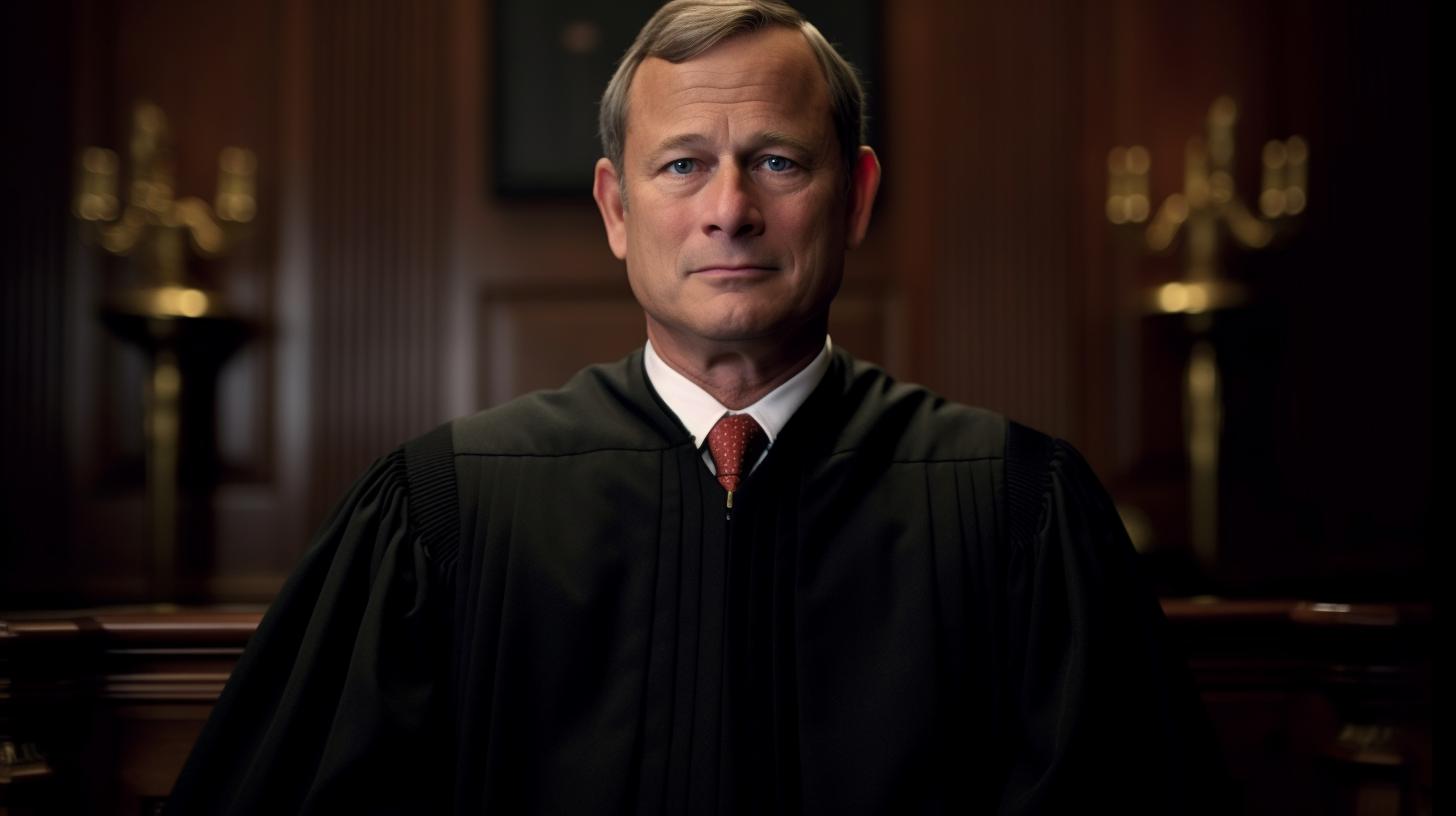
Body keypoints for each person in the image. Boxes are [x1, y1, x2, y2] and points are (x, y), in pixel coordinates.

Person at [168, 1, 1232, 813]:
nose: (730, 210)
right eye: (683, 166)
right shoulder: (444, 511)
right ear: (616, 210)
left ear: (854, 197)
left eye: (775, 161)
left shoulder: (1013, 506)